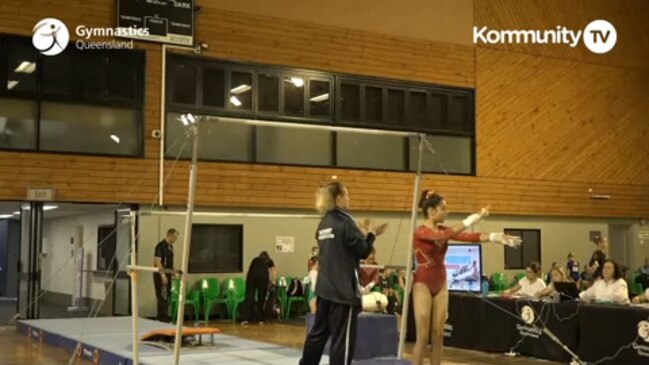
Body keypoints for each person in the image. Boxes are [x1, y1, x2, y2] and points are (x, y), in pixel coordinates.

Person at [411, 190, 521, 365]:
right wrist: (475, 217)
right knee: (423, 337)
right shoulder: (420, 232)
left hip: (440, 283)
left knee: (438, 336)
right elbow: (442, 236)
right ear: (431, 211)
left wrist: (495, 237)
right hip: (422, 284)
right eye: (443, 208)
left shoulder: (444, 230)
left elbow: (469, 237)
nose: (447, 212)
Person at [300, 181, 388, 365]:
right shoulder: (346, 222)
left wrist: (362, 233)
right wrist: (371, 234)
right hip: (343, 292)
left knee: (317, 335)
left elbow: (340, 248)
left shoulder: (323, 224)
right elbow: (363, 251)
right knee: (343, 341)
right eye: (347, 195)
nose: (349, 198)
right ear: (339, 199)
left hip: (324, 290)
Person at [240, 251, 276, 325]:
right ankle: (260, 319)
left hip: (251, 276)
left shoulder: (255, 260)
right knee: (261, 297)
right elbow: (273, 269)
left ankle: (245, 319)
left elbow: (249, 270)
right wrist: (273, 281)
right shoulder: (267, 259)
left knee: (249, 297)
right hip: (262, 277)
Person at [153, 228, 178, 322]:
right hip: (161, 275)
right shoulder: (160, 246)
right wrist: (162, 275)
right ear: (170, 235)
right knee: (162, 296)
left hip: (168, 273)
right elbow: (157, 261)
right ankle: (161, 318)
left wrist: (173, 272)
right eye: (175, 237)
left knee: (167, 295)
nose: (175, 240)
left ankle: (165, 316)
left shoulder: (171, 247)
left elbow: (170, 262)